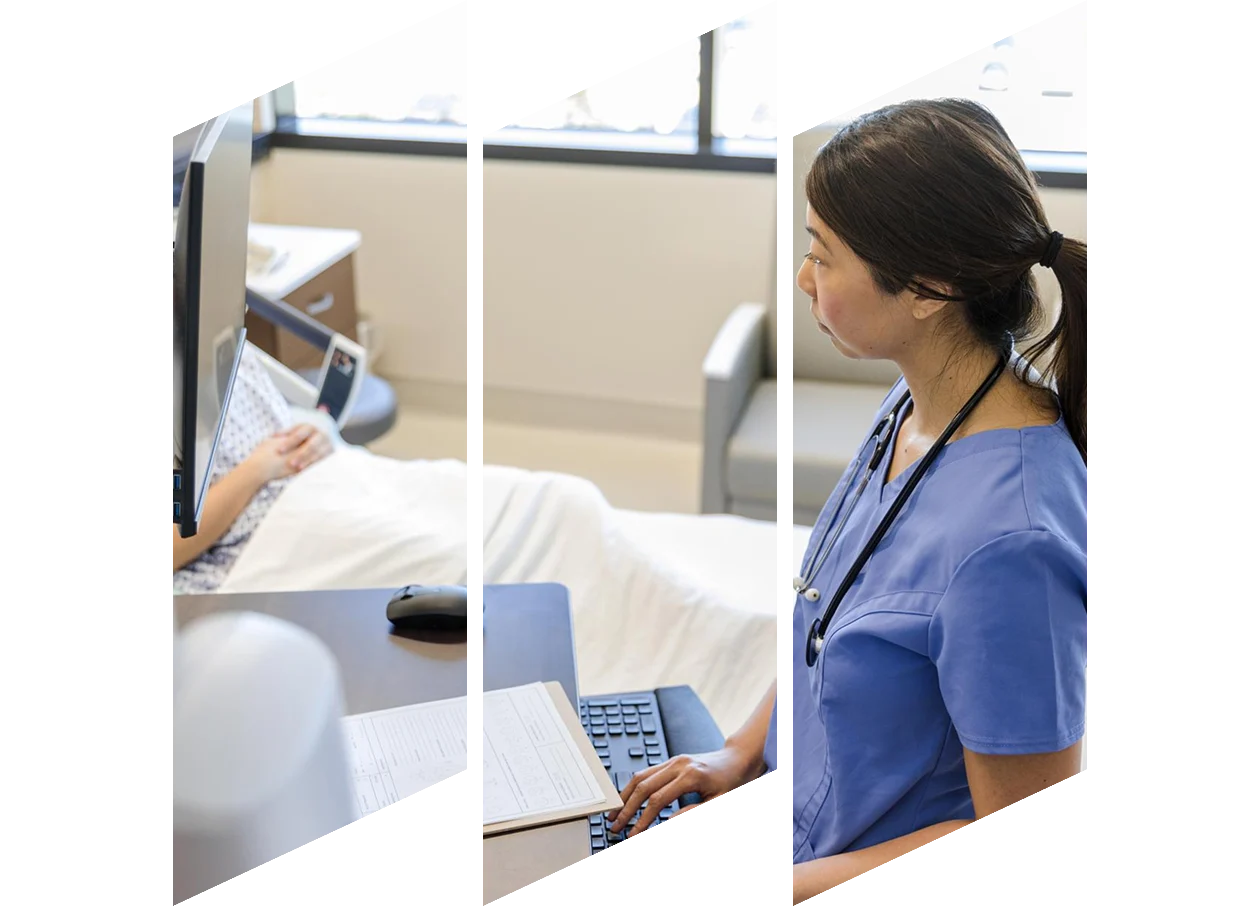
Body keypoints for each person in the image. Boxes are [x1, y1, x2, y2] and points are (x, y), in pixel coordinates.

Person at [609, 98, 1088, 903]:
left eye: (823, 256)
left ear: (930, 287)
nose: (804, 278)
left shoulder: (1013, 543)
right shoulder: (916, 406)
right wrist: (738, 753)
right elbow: (826, 615)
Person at [170, 341, 335, 594]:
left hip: (320, 481)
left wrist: (312, 438)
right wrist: (258, 469)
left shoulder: (219, 336)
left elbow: (274, 421)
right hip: (261, 534)